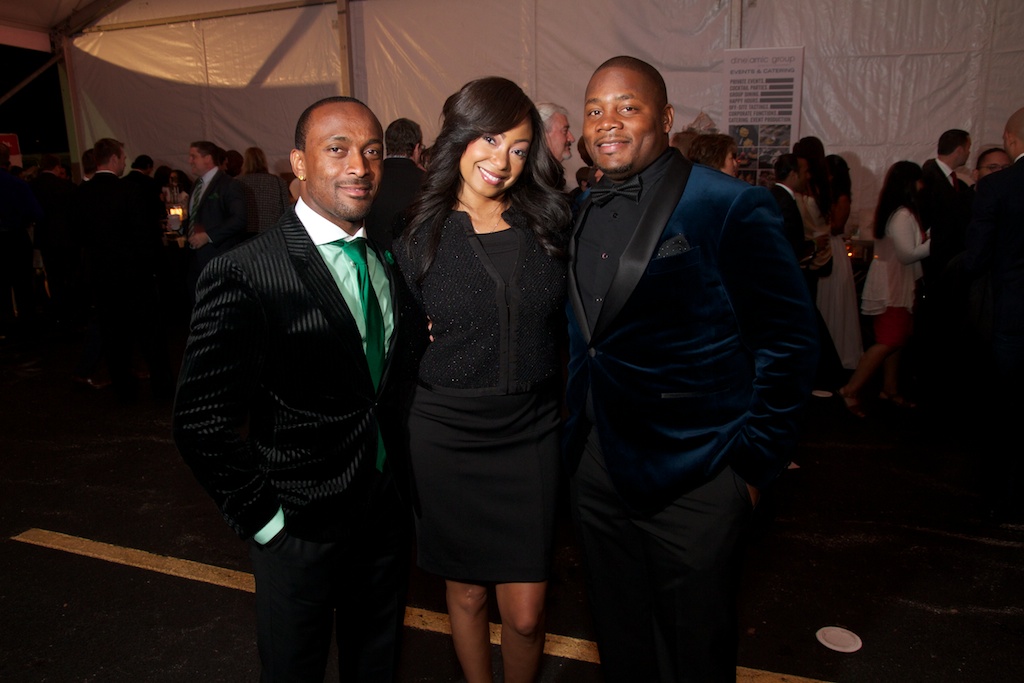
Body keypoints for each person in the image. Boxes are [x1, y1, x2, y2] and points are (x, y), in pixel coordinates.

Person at [565, 56, 818, 682]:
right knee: (621, 641)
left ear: (666, 118)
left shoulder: (728, 205)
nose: (607, 121)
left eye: (627, 107)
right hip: (596, 469)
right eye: (595, 110)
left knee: (695, 652)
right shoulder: (577, 209)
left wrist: (749, 472)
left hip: (697, 477)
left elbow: (788, 344)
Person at [173, 96, 412, 681]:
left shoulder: (384, 258)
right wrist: (267, 523)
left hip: (383, 520)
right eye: (338, 149)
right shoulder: (247, 270)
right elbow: (200, 420)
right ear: (299, 163)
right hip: (298, 529)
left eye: (371, 151)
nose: (359, 166)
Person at [395, 77, 570, 683]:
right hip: (446, 434)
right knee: (467, 595)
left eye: (519, 148)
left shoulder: (549, 222)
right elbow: (396, 333)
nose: (503, 160)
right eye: (491, 139)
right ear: (461, 137)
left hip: (530, 431)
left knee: (525, 614)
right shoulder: (418, 234)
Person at [74, 138, 173, 402]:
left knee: (114, 336)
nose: (125, 161)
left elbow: (80, 236)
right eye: (123, 157)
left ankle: (124, 390)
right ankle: (162, 388)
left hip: (102, 276)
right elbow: (144, 235)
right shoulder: (129, 190)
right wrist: (153, 268)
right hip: (134, 275)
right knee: (150, 335)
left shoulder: (82, 193)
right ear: (115, 158)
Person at [962, 107, 1024, 524]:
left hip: (1013, 314)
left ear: (1011, 139)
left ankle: (1003, 498)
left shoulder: (998, 187)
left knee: (1006, 410)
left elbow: (977, 257)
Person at [839, 161, 930, 417]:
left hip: (895, 283)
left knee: (894, 340)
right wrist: (934, 241)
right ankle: (850, 390)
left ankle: (889, 389)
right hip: (894, 285)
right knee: (889, 340)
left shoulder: (898, 212)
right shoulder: (902, 215)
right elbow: (907, 254)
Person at [184, 140, 247, 305]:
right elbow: (196, 217)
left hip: (217, 258)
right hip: (195, 259)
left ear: (207, 158)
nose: (190, 161)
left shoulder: (229, 184)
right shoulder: (197, 185)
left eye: (193, 156)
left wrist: (208, 236)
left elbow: (239, 219)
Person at [818, 154, 863, 370]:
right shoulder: (823, 194)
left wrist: (818, 225)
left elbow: (837, 227)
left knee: (835, 297)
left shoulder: (842, 198)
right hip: (825, 246)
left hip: (833, 248)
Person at [0, 142, 43, 339]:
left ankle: (5, 326)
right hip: (17, 238)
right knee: (23, 285)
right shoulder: (18, 184)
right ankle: (28, 326)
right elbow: (36, 212)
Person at [364, 117, 426, 251]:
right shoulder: (428, 181)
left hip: (374, 256)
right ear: (416, 148)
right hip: (415, 257)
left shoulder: (369, 177)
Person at [237, 146, 291, 235]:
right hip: (272, 231)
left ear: (245, 162)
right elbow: (286, 210)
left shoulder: (238, 182)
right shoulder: (278, 181)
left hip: (246, 231)